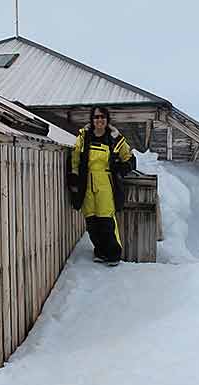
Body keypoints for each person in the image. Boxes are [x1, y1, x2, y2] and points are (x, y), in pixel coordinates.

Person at [67, 106, 136, 266]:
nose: (99, 120)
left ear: (107, 120)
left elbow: (129, 158)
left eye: (102, 117)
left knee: (106, 219)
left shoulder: (115, 138)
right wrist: (74, 176)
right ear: (92, 120)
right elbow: (75, 158)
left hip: (106, 182)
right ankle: (99, 252)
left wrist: (123, 167)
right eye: (96, 117)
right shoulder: (84, 137)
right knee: (91, 219)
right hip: (87, 182)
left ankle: (113, 254)